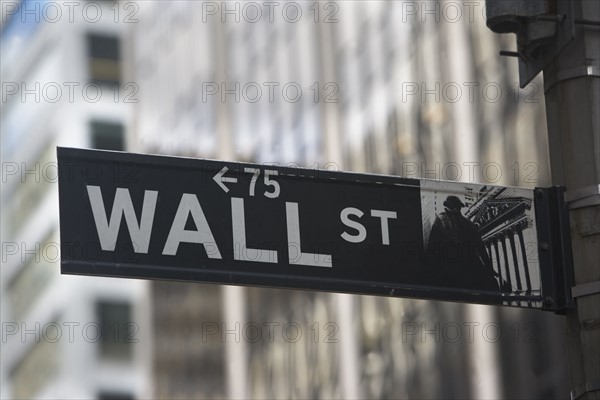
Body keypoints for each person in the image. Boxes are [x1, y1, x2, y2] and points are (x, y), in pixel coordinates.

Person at [426, 195, 500, 292]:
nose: (457, 209)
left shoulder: (463, 223)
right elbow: (432, 247)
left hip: (458, 269)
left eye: (458, 207)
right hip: (459, 269)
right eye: (456, 206)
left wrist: (489, 268)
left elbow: (432, 247)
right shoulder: (445, 219)